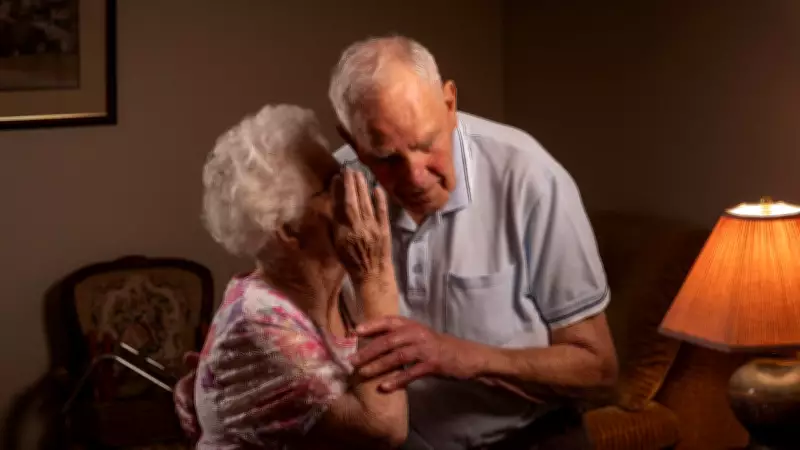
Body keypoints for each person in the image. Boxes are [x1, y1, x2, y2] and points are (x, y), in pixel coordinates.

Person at [177, 36, 618, 450]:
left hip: (529, 440)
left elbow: (600, 371)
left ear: (450, 103)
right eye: (387, 158)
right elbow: (283, 294)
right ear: (353, 141)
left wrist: (465, 357)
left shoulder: (528, 178)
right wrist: (229, 375)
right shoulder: (342, 182)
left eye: (427, 144)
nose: (415, 177)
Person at [191, 103, 408, 449]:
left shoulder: (343, 290)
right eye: (333, 185)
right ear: (289, 229)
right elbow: (382, 428)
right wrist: (375, 275)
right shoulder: (257, 322)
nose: (356, 189)